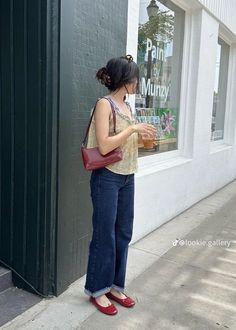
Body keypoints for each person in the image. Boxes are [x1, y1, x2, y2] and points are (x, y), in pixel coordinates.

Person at [84, 55, 156, 315]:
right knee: (105, 235)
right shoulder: (105, 104)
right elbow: (104, 145)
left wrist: (140, 137)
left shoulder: (127, 106)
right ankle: (97, 290)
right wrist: (133, 130)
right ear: (125, 80)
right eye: (134, 78)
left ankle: (115, 286)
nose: (138, 82)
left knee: (123, 233)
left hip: (127, 175)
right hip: (107, 177)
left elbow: (123, 142)